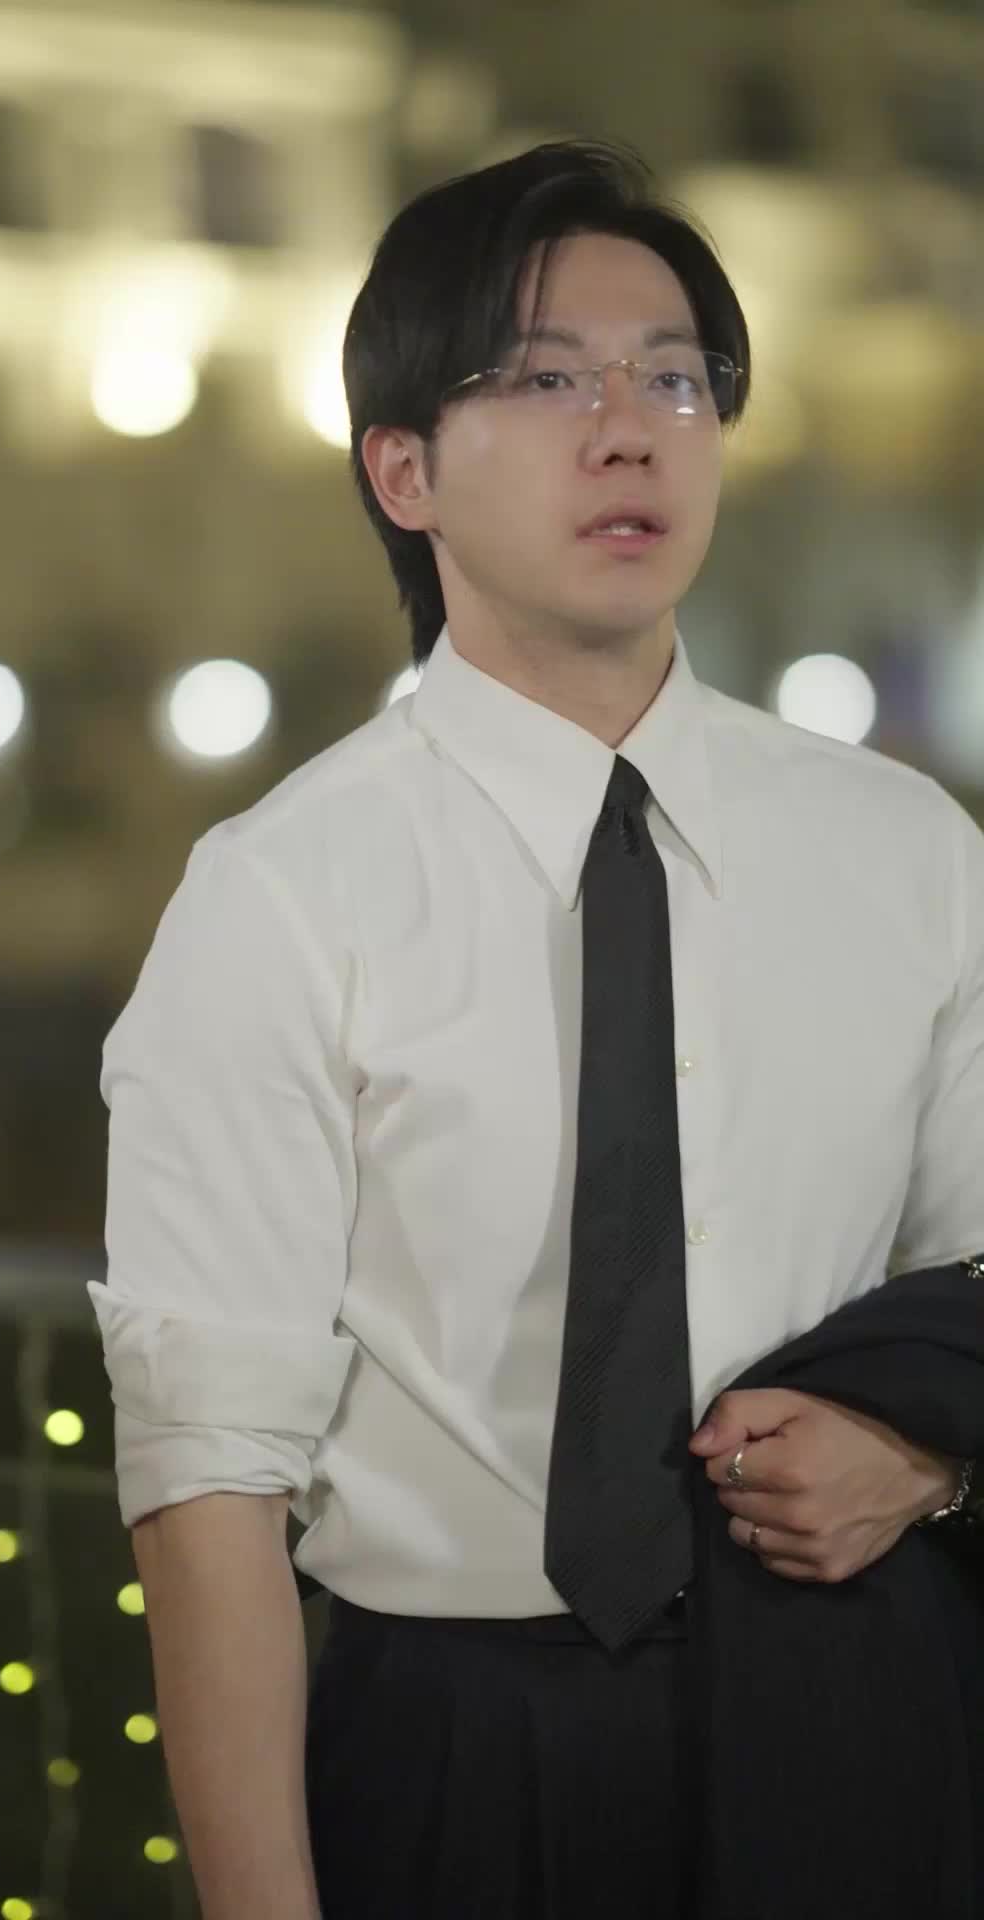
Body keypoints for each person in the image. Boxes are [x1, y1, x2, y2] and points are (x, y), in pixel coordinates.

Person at [88, 140, 984, 1920]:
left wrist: (932, 1456)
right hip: (461, 1749)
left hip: (862, 1706)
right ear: (403, 470)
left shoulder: (906, 852)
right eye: (548, 379)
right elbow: (210, 1490)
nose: (630, 430)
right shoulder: (282, 895)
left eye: (675, 378)